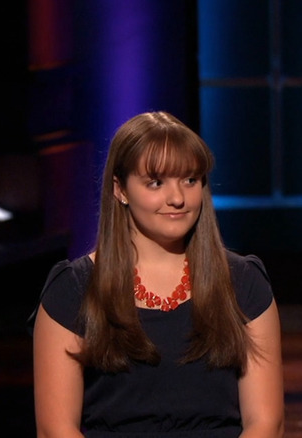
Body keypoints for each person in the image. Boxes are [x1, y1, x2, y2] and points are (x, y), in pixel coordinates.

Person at [29, 111, 284, 437]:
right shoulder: (72, 291)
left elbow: (266, 423)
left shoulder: (244, 283)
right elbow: (56, 429)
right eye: (156, 182)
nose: (177, 198)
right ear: (120, 189)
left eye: (190, 180)